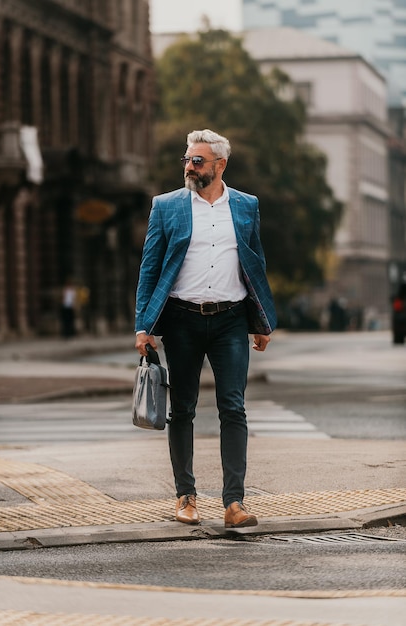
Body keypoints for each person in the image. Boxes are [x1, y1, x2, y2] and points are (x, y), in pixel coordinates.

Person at [135, 129, 276, 528]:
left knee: (234, 408)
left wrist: (260, 320)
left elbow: (255, 263)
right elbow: (150, 267)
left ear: (220, 165)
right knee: (183, 410)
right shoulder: (166, 207)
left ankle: (234, 503)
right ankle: (186, 497)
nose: (190, 167)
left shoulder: (246, 206)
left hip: (231, 319)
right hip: (182, 320)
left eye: (198, 161)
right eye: (187, 160)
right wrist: (143, 325)